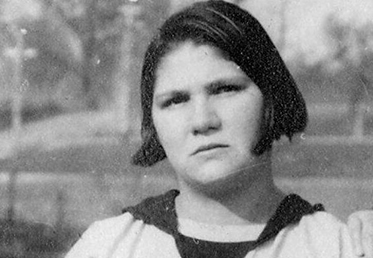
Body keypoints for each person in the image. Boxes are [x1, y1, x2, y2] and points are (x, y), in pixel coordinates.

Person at [65, 1, 373, 257]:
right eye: (175, 101)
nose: (202, 121)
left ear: (272, 97)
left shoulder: (339, 247)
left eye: (225, 89)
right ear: (154, 122)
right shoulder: (107, 247)